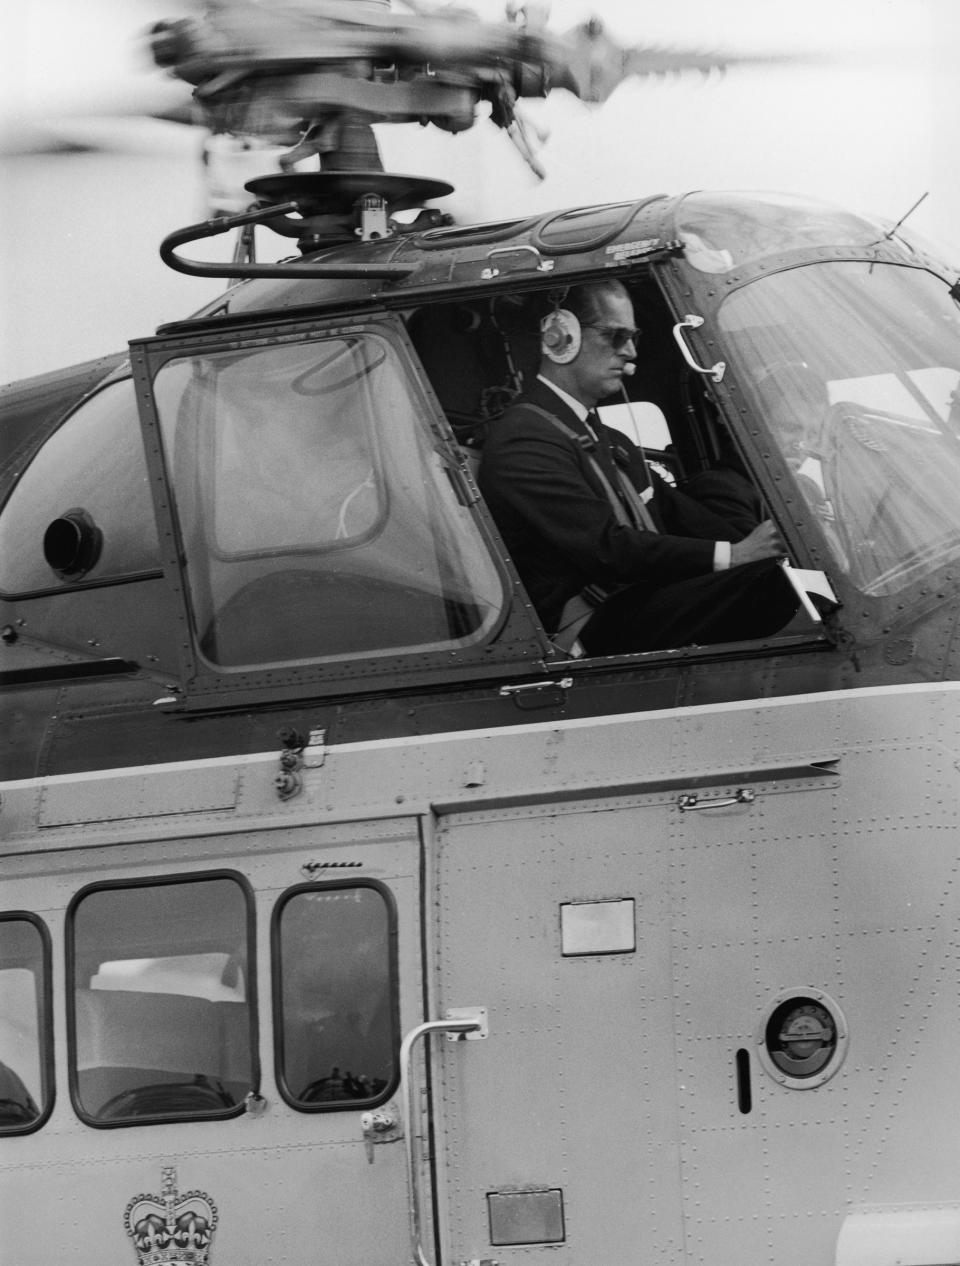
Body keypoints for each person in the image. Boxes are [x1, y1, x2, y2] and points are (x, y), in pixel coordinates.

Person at [477, 279, 799, 656]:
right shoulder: (524, 440)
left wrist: (775, 542)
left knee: (779, 558)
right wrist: (736, 556)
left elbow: (679, 514)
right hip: (597, 621)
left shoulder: (610, 441)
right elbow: (607, 550)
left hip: (637, 602)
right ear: (559, 337)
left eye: (634, 337)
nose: (630, 352)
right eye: (615, 336)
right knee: (777, 587)